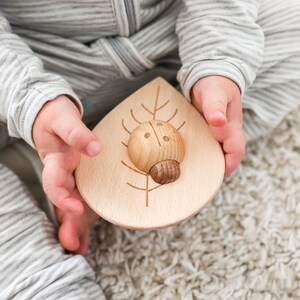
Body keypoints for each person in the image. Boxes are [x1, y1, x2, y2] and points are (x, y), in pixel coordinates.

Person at [0, 0, 299, 298]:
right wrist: (33, 102)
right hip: (34, 73)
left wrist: (218, 65)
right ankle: (55, 177)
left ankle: (106, 181)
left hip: (168, 45)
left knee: (290, 25)